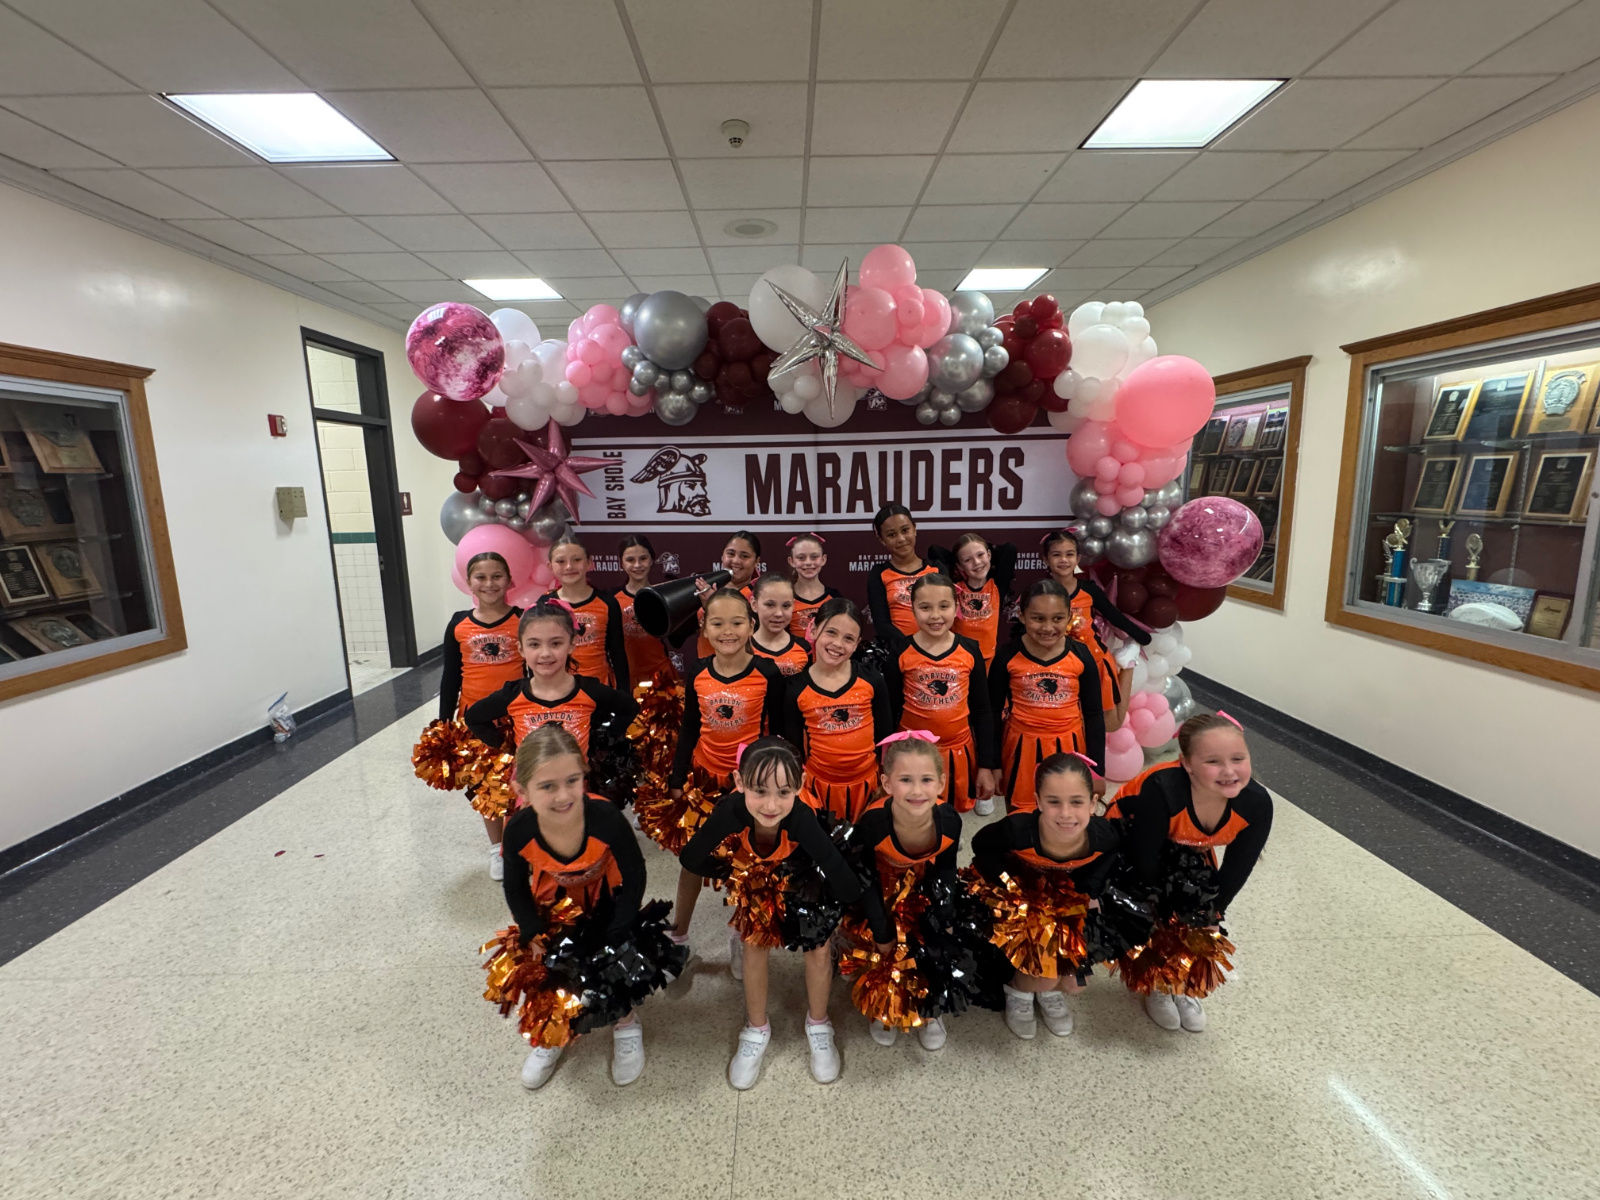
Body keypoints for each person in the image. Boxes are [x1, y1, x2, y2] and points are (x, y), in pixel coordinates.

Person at [486, 724, 684, 1090]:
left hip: (605, 899)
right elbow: (514, 884)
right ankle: (553, 1030)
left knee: (613, 967)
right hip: (553, 905)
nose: (563, 796)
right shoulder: (519, 830)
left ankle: (625, 1023)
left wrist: (621, 924)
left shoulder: (606, 818)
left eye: (572, 781)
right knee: (554, 970)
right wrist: (530, 928)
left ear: (584, 776)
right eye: (547, 786)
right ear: (521, 791)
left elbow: (635, 872)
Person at [677, 737, 862, 1090]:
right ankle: (756, 1028)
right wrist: (732, 874)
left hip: (804, 867)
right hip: (756, 867)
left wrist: (839, 920)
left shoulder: (802, 818)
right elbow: (691, 858)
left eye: (783, 792)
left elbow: (840, 873)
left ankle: (818, 1024)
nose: (772, 805)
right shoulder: (732, 811)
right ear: (739, 782)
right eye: (760, 791)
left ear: (800, 786)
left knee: (818, 947)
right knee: (754, 942)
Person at [1116, 712, 1273, 1034]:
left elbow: (1237, 868)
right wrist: (1163, 914)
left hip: (1188, 846)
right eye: (1213, 761)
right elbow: (1145, 860)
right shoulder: (1162, 788)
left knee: (1199, 914)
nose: (1229, 771)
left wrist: (1212, 913)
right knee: (1157, 917)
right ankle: (1158, 984)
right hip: (1130, 840)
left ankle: (1181, 982)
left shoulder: (1257, 803)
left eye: (1238, 758)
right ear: (1186, 764)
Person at [466, 599, 638, 879]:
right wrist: (507, 747)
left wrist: (606, 740)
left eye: (556, 643)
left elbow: (629, 708)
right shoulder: (514, 694)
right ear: (521, 649)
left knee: (582, 864)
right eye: (534, 644)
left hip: (576, 793)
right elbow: (474, 717)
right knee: (536, 865)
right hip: (530, 799)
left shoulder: (588, 691)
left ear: (571, 645)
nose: (545, 653)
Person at [658, 588, 785, 954]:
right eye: (717, 623)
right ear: (704, 628)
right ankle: (678, 934)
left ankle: (742, 937)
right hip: (704, 781)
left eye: (736, 622)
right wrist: (677, 778)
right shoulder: (698, 671)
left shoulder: (767, 672)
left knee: (747, 863)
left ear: (751, 626)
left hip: (748, 786)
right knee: (693, 858)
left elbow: (779, 733)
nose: (727, 631)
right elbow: (689, 729)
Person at [970, 752, 1122, 1040]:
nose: (1066, 813)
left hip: (1065, 899)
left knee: (1075, 984)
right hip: (1023, 897)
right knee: (1039, 977)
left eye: (1076, 802)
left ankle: (1048, 990)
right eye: (1054, 802)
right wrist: (1011, 888)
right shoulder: (1017, 830)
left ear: (1092, 804)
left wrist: (1089, 891)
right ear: (1038, 801)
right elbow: (981, 846)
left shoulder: (1103, 836)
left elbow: (1111, 854)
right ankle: (1018, 990)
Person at [846, 732, 966, 1051]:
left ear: (941, 783)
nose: (916, 790)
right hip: (880, 890)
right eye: (905, 780)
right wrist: (883, 933)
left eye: (926, 780)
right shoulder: (872, 824)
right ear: (887, 783)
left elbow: (946, 872)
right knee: (884, 947)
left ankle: (930, 1006)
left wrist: (944, 920)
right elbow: (866, 882)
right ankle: (884, 1004)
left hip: (923, 885)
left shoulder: (949, 821)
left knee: (932, 941)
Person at [881, 574, 998, 815]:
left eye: (944, 606)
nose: (935, 615)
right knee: (913, 813)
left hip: (957, 752)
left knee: (950, 815)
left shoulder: (969, 650)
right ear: (913, 609)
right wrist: (884, 762)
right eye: (925, 607)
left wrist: (986, 765)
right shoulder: (900, 652)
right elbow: (889, 711)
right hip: (912, 753)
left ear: (956, 607)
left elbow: (982, 711)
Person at [989, 580, 1105, 813]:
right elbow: (991, 713)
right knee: (1021, 816)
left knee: (1064, 812)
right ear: (1022, 616)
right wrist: (992, 764)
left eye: (1057, 618)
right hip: (1020, 748)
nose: (1048, 627)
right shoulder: (1006, 656)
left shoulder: (1081, 655)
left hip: (1070, 747)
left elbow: (1093, 714)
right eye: (1038, 618)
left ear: (1069, 616)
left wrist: (1097, 770)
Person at [782, 597, 891, 823]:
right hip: (819, 787)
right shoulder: (796, 689)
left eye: (848, 638)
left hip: (868, 785)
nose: (838, 644)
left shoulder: (871, 679)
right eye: (831, 632)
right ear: (813, 629)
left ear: (857, 643)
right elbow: (795, 749)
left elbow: (885, 736)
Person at [1041, 530, 1151, 729]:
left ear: (1078, 558)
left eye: (1069, 554)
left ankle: (1129, 661)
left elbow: (1113, 615)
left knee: (1110, 724)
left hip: (1093, 661)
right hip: (1056, 665)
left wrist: (1141, 637)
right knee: (1068, 723)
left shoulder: (1088, 590)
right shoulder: (1039, 592)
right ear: (1046, 559)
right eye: (1056, 554)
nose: (1063, 560)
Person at [545, 536, 629, 691]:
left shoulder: (608, 603)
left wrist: (624, 694)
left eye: (577, 559)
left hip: (600, 690)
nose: (569, 566)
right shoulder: (544, 604)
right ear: (550, 566)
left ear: (589, 563)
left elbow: (617, 652)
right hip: (557, 691)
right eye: (561, 561)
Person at [681, 531, 764, 660]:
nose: (736, 561)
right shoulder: (703, 589)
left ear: (756, 561)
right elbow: (678, 637)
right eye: (730, 554)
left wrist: (713, 605)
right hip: (706, 667)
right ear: (722, 555)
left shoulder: (762, 595)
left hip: (748, 668)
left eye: (744, 556)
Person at [866, 504, 937, 640]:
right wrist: (909, 647)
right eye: (891, 535)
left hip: (936, 646)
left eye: (905, 530)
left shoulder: (936, 569)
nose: (901, 539)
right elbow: (882, 624)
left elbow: (946, 614)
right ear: (882, 540)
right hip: (898, 649)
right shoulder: (879, 573)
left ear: (914, 529)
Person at [948, 533, 1014, 668]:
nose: (977, 562)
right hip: (959, 660)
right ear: (960, 566)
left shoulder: (996, 586)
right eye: (968, 560)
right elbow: (935, 551)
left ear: (989, 555)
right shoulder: (954, 589)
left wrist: (987, 554)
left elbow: (1010, 549)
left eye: (980, 555)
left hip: (988, 661)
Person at [614, 534, 673, 686]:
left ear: (652, 560)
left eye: (643, 558)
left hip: (661, 677)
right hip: (626, 679)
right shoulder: (612, 600)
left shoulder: (664, 595)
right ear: (621, 563)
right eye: (630, 560)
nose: (637, 565)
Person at [749, 573, 811, 676]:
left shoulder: (804, 648)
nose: (779, 613)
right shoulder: (742, 648)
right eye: (770, 605)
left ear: (793, 605)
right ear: (754, 604)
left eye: (786, 606)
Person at [786, 533, 841, 640]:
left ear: (823, 559)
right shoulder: (785, 598)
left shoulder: (834, 598)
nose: (808, 562)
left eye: (814, 557)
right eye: (801, 558)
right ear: (791, 561)